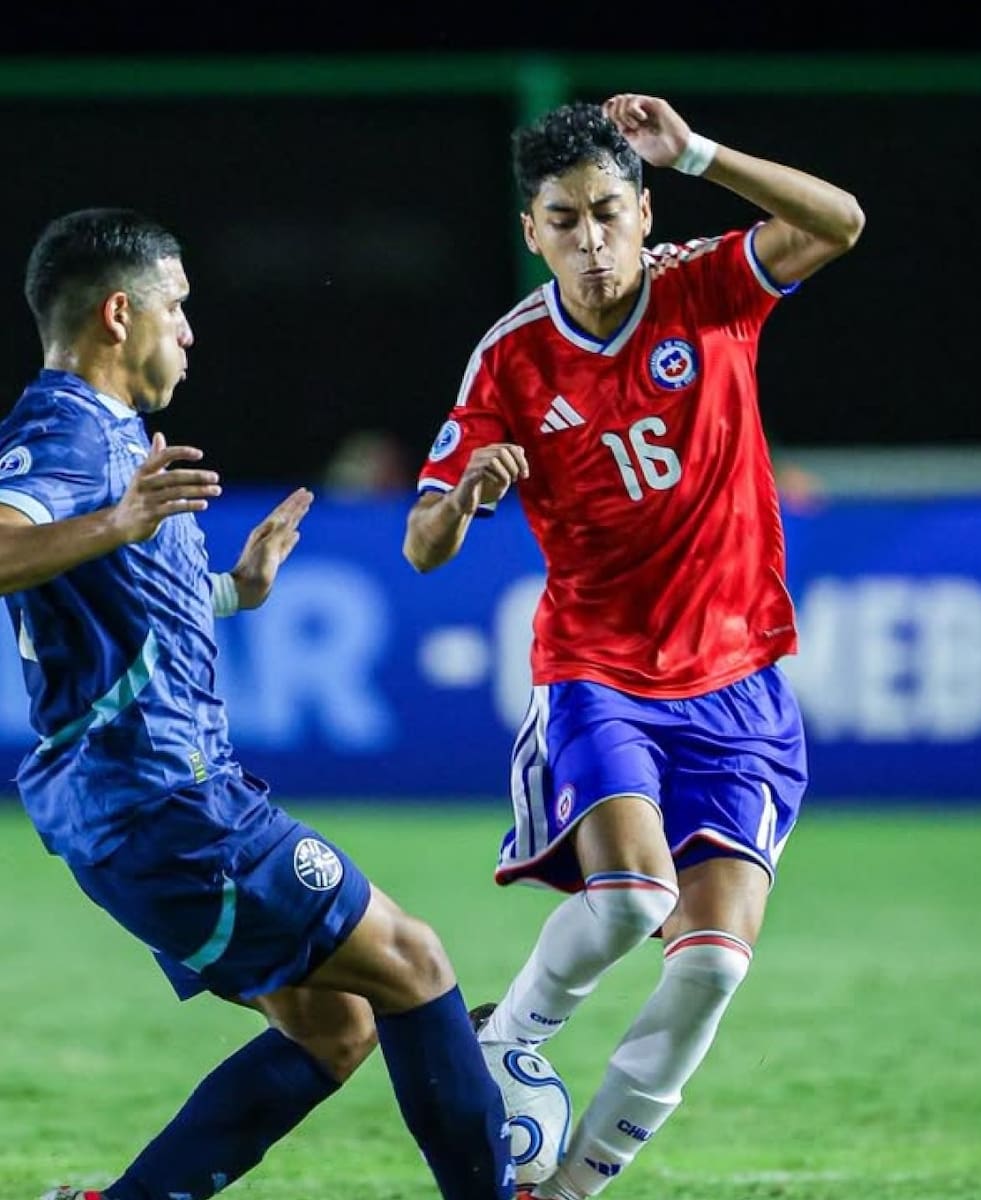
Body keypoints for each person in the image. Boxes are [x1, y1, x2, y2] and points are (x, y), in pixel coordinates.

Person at [1, 208, 514, 1200]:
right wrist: (118, 521)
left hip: (131, 810)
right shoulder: (66, 427)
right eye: (177, 307)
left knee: (334, 1028)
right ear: (118, 314)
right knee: (414, 962)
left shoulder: (107, 436)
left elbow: (112, 607)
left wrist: (235, 592)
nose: (189, 331)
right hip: (165, 800)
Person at [403, 94, 865, 1198]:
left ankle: (570, 1190)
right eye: (564, 220)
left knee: (711, 969)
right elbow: (422, 546)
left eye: (609, 211)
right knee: (628, 899)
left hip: (741, 681)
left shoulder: (708, 289)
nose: (591, 239)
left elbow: (840, 221)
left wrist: (700, 152)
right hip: (599, 673)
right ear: (533, 231)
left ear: (644, 212)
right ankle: (507, 1040)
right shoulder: (511, 360)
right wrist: (464, 498)